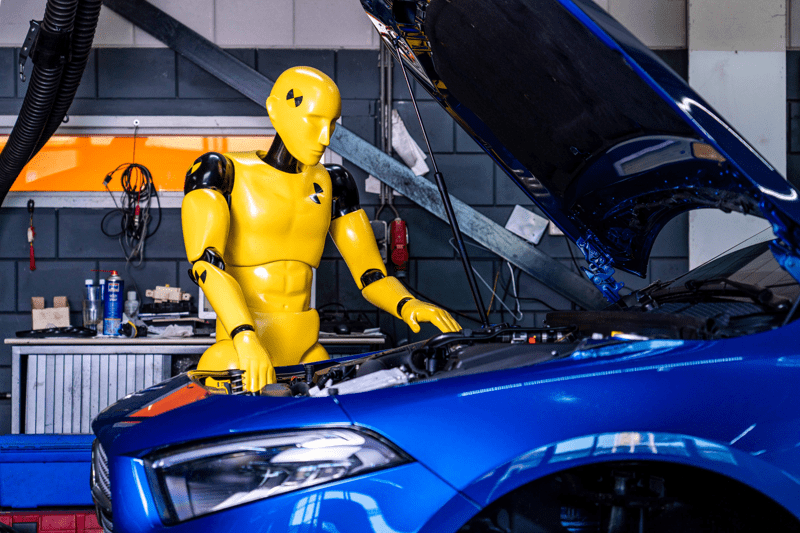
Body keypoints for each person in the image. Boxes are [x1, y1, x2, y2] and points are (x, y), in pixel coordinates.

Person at [181, 66, 461, 392]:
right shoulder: (220, 171)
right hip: (240, 355)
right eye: (314, 121)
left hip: (308, 354)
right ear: (275, 109)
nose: (325, 137)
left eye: (331, 124)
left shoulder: (333, 183)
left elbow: (371, 275)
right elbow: (205, 264)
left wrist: (408, 304)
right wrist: (245, 338)